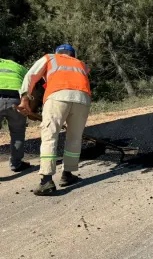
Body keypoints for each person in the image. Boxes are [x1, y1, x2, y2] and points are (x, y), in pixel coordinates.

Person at [17, 44, 91, 196]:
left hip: (57, 96)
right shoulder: (80, 64)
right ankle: (67, 174)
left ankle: (46, 181)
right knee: (74, 138)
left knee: (50, 135)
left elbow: (31, 76)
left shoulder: (50, 58)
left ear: (58, 53)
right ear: (73, 55)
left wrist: (25, 99)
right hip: (83, 99)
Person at [0, 57, 31, 172]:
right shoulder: (17, 66)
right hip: (16, 101)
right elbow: (30, 79)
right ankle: (16, 164)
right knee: (17, 133)